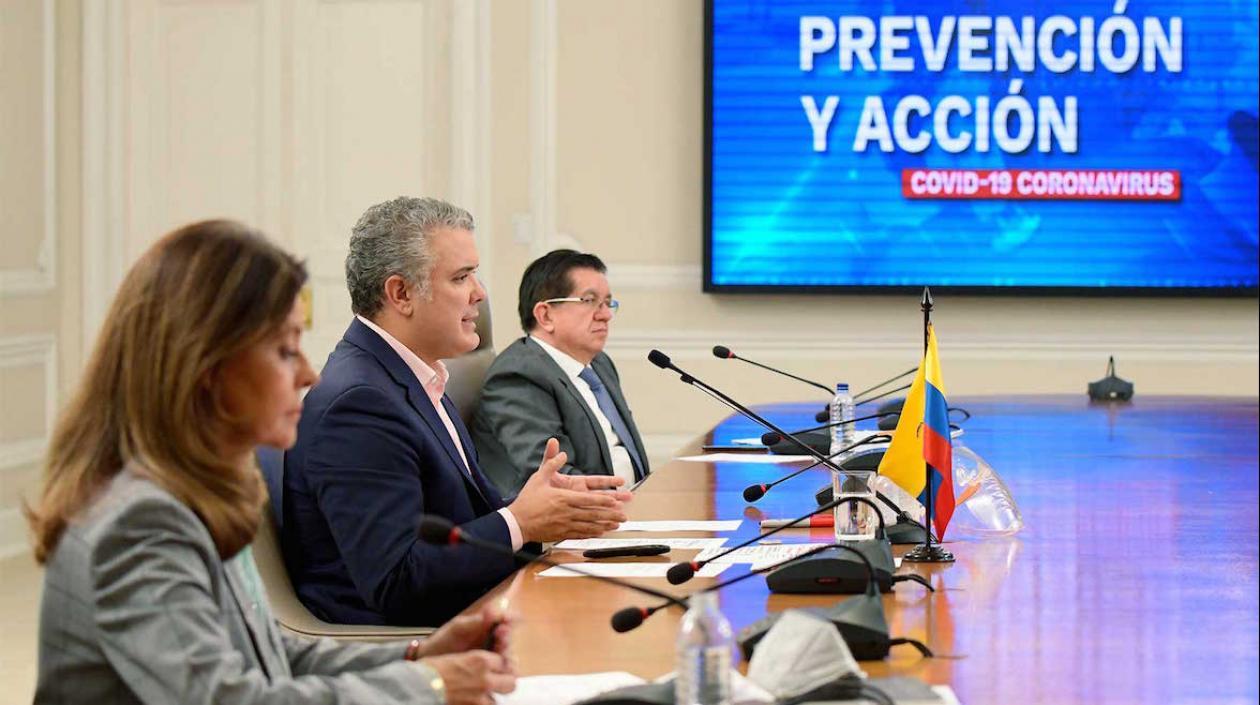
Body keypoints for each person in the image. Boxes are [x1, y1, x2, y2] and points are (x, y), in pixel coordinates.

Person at [26, 221, 514, 704]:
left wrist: (419, 656)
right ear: (206, 371)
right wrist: (429, 685)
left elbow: (269, 655)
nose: (306, 373)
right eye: (284, 351)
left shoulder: (195, 493)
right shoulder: (141, 522)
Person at [283, 197, 632, 627]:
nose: (480, 293)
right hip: (408, 650)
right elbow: (397, 581)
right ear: (401, 293)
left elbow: (460, 519)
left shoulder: (415, 374)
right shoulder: (359, 403)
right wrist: (521, 522)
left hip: (473, 611)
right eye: (462, 277)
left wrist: (544, 508)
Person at [471, 250, 649, 496]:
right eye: (589, 301)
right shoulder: (519, 375)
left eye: (608, 303)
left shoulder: (599, 364)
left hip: (631, 503)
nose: (606, 315)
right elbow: (553, 476)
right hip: (573, 523)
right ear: (545, 315)